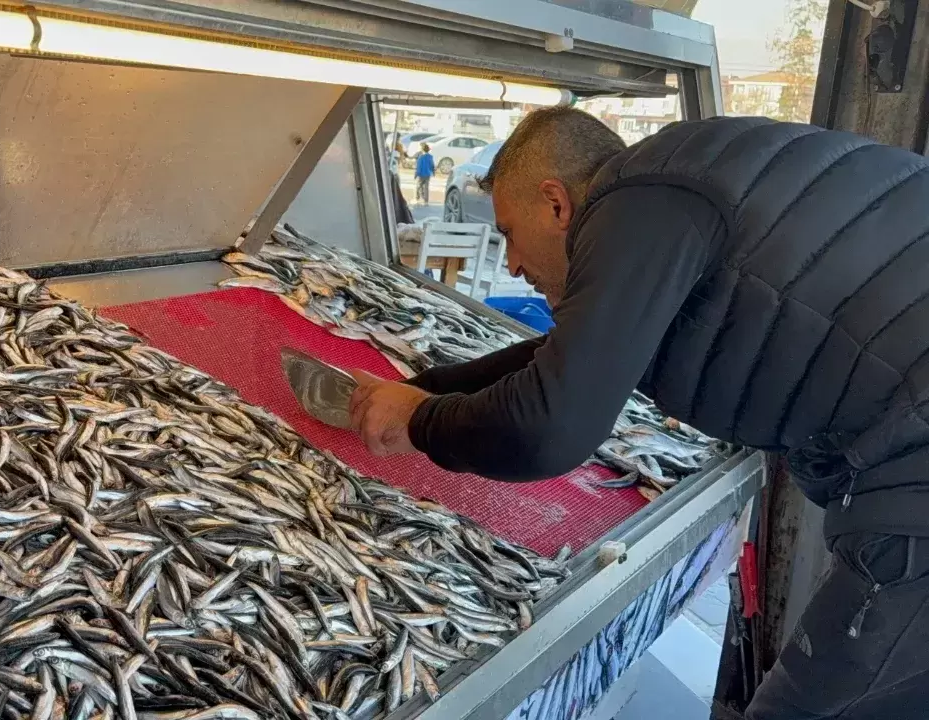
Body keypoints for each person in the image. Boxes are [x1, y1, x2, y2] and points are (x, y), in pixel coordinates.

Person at [347, 107, 929, 720]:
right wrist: (424, 391)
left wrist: (419, 423)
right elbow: (566, 357)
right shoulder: (681, 183)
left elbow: (550, 427)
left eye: (509, 233)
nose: (512, 263)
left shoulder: (645, 201)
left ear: (556, 203)